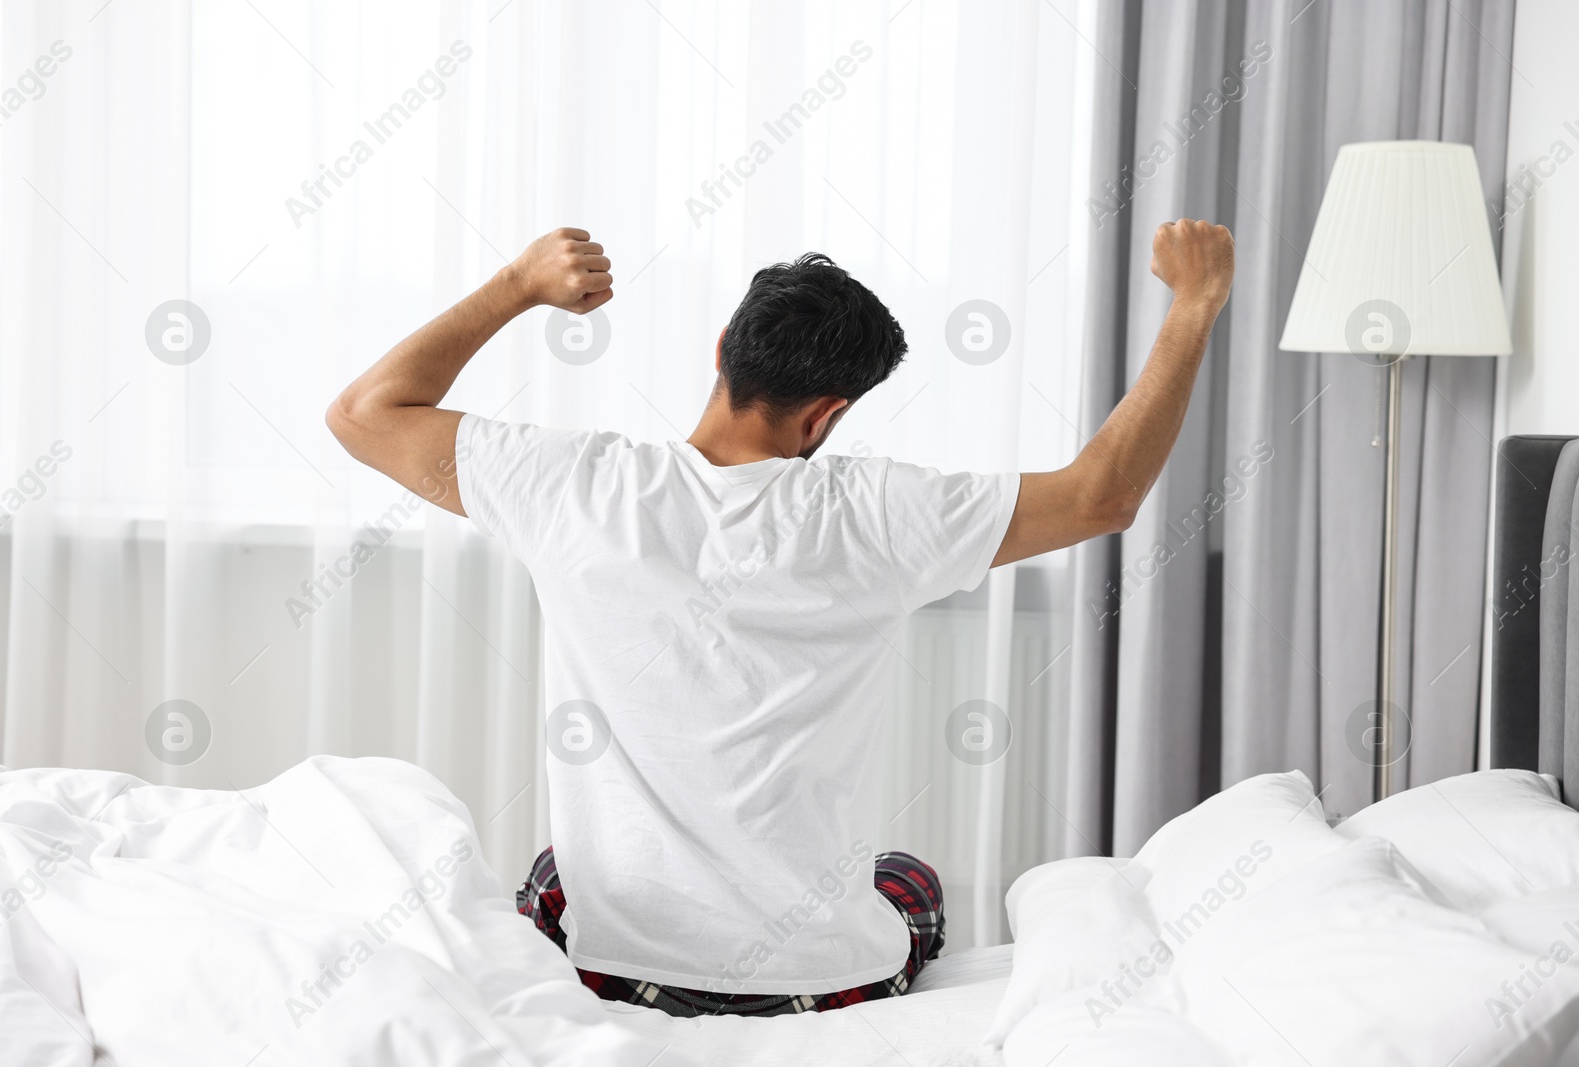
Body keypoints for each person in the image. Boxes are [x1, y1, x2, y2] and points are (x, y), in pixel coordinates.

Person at [327, 220, 1235, 1017]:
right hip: (818, 978)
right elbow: (1104, 494)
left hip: (609, 972)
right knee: (906, 879)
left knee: (556, 873)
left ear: (722, 348)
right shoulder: (879, 515)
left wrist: (520, 283)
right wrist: (1194, 302)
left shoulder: (575, 488)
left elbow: (365, 412)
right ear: (828, 413)